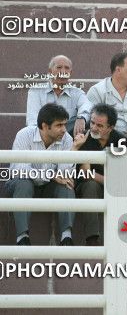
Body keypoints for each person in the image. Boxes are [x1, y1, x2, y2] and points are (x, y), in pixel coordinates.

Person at [73, 103, 127, 246]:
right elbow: (86, 174)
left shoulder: (120, 140)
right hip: (93, 187)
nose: (93, 127)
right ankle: (92, 239)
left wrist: (126, 181)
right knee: (90, 186)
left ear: (110, 127)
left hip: (116, 184)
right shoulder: (83, 138)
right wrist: (112, 181)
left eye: (99, 126)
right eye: (92, 122)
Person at [7, 103, 78, 246]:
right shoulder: (24, 135)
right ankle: (22, 237)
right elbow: (18, 168)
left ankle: (66, 237)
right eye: (59, 125)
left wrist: (75, 148)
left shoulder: (67, 139)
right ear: (45, 126)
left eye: (65, 124)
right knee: (23, 182)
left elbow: (64, 175)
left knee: (68, 185)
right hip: (23, 184)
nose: (64, 130)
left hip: (49, 187)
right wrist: (50, 174)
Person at [87, 53, 127, 138]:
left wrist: (125, 140)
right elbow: (93, 123)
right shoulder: (97, 91)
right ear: (118, 70)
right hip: (105, 140)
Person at [26, 55, 91, 137]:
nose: (63, 71)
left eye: (67, 68)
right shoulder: (36, 91)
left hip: (66, 139)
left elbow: (87, 106)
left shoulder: (77, 93)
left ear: (70, 73)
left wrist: (82, 118)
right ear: (50, 72)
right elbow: (32, 121)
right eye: (59, 67)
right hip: (43, 138)